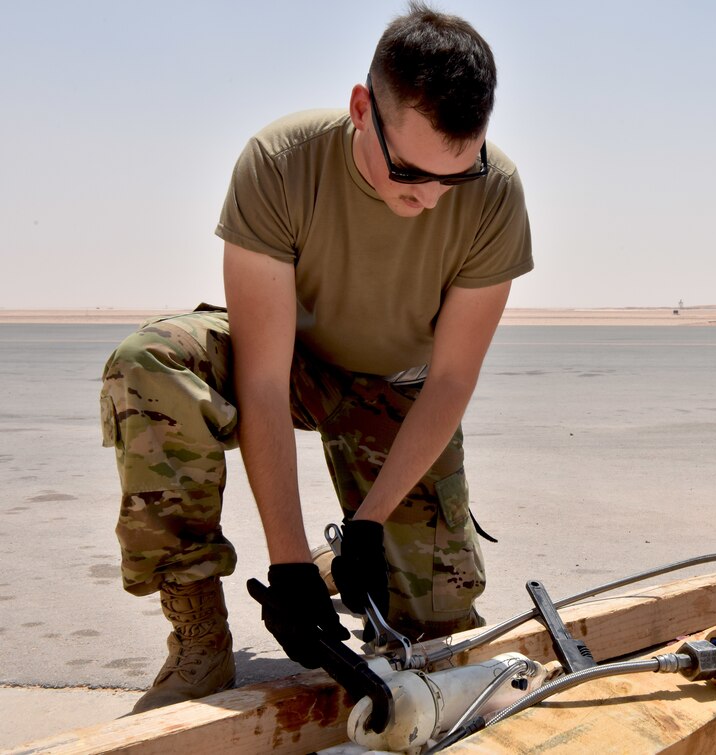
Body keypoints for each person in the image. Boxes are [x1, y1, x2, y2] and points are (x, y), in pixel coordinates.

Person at [100, 2, 532, 714]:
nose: (428, 199)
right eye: (408, 172)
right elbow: (263, 380)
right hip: (293, 364)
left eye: (453, 177)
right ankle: (199, 634)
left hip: (399, 391)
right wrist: (288, 564)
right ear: (362, 108)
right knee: (148, 364)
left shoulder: (496, 193)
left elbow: (452, 378)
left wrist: (371, 519)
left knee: (444, 636)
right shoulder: (281, 162)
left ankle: (351, 558)